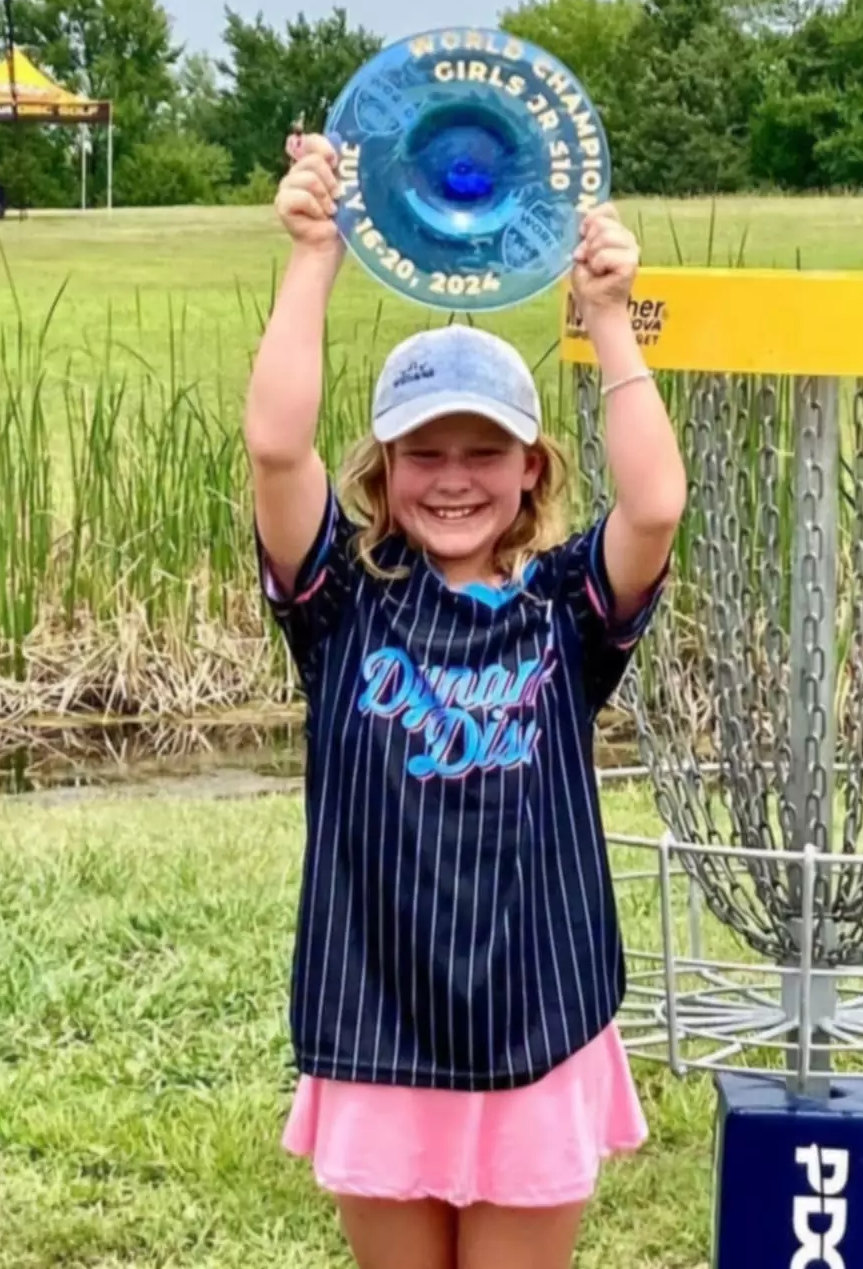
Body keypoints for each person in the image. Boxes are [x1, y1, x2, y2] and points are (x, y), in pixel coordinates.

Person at [250, 136, 686, 1269]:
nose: (452, 476)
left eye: (483, 450)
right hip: (377, 1021)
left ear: (532, 467)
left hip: (536, 1019)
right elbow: (272, 444)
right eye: (422, 451)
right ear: (382, 471)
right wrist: (311, 256)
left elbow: (653, 504)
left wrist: (605, 319)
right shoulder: (340, 603)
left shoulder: (561, 608)